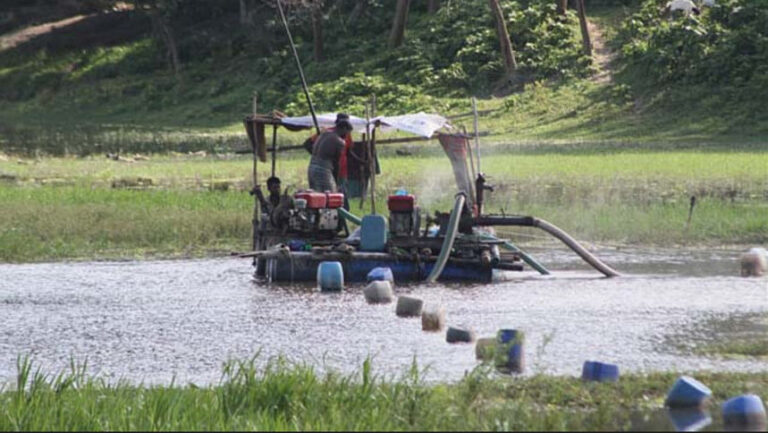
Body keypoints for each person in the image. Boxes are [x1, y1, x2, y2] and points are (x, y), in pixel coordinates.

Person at [303, 113, 354, 188]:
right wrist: (335, 182)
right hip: (324, 170)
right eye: (347, 132)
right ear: (344, 128)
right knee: (330, 196)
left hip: (311, 168)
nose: (347, 135)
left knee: (316, 195)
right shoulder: (339, 141)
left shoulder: (324, 133)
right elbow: (336, 164)